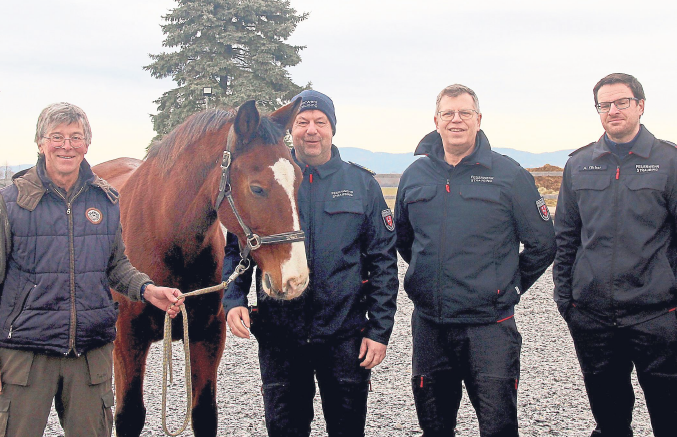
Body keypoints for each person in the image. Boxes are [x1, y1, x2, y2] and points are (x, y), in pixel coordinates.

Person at [0, 102, 184, 437]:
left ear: (87, 144)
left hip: (89, 353)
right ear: (40, 144)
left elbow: (116, 266)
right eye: (56, 137)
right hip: (26, 354)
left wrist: (148, 289)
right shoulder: (10, 203)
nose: (66, 146)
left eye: (75, 137)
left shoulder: (106, 200)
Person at [222, 90, 399, 437]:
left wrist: (379, 331)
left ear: (333, 129)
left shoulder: (361, 184)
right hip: (280, 335)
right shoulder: (270, 179)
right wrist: (233, 300)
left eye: (320, 122)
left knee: (347, 429)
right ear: (292, 131)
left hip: (344, 335)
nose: (311, 130)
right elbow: (238, 247)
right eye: (302, 122)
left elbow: (382, 262)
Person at [395, 84, 556, 437]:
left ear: (478, 119)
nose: (457, 120)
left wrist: (506, 284)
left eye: (465, 113)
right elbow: (406, 240)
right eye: (449, 113)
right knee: (435, 428)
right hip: (430, 326)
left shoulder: (508, 175)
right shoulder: (415, 175)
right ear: (436, 121)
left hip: (489, 327)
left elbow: (543, 243)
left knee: (498, 427)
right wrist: (429, 276)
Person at [553, 73, 677, 437]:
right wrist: (567, 299)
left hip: (657, 315)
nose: (613, 110)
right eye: (604, 105)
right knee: (609, 421)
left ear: (640, 106)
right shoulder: (580, 164)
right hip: (593, 318)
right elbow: (566, 237)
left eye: (622, 102)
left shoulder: (669, 162)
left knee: (669, 417)